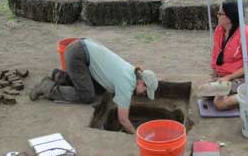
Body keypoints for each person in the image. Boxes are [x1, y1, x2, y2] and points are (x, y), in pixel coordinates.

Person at [30, 38, 158, 134]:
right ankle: (47, 87)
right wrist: (136, 135)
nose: (143, 94)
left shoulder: (132, 70)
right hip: (78, 55)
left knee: (99, 90)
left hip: (80, 49)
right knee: (87, 96)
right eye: (145, 91)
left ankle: (60, 77)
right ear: (141, 82)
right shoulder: (126, 83)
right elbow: (123, 120)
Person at [211, 1, 248, 110]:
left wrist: (228, 78)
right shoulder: (219, 30)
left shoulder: (247, 34)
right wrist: (215, 75)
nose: (217, 16)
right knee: (206, 91)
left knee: (219, 103)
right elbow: (216, 54)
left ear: (230, 17)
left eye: (220, 14)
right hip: (227, 75)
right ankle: (247, 94)